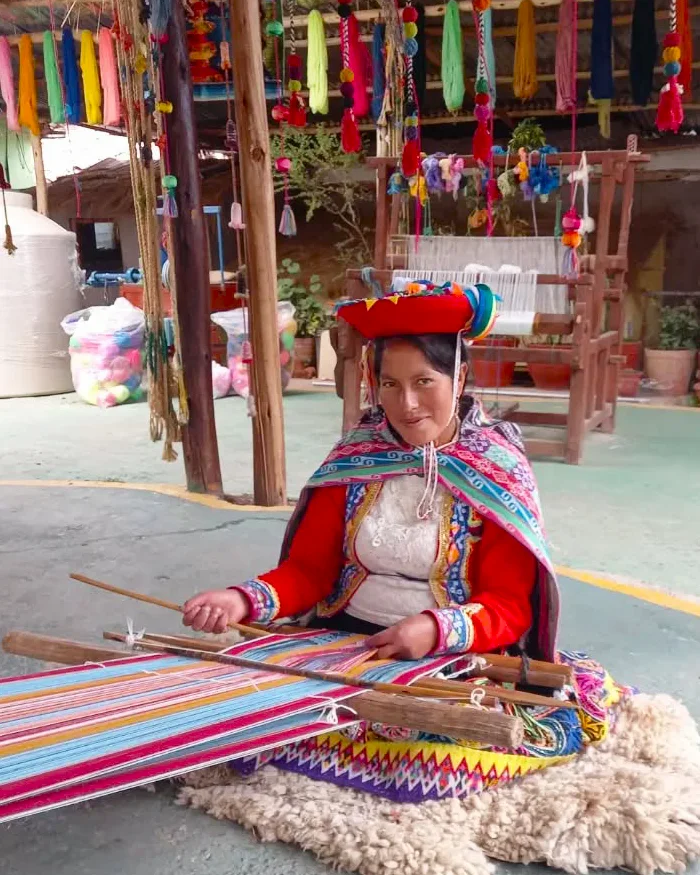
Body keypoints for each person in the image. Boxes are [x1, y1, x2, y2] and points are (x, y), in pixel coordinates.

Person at [181, 281, 621, 802]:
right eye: (389, 384)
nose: (406, 404)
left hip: (451, 658)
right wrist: (242, 599)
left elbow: (509, 606)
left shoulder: (497, 470)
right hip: (345, 643)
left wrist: (435, 630)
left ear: (458, 377)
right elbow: (310, 572)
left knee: (443, 744)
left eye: (424, 381)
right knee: (241, 703)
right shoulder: (357, 458)